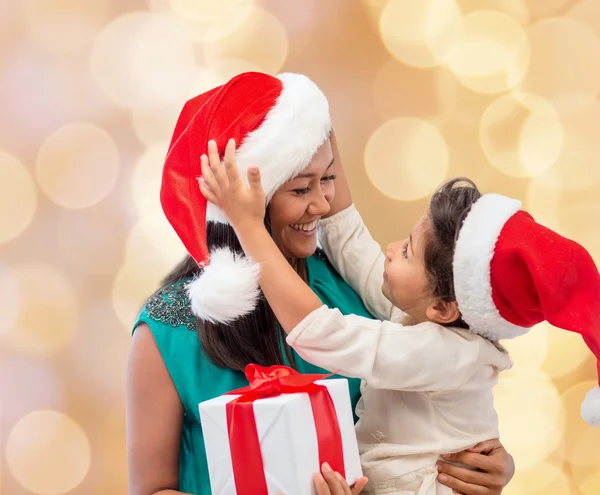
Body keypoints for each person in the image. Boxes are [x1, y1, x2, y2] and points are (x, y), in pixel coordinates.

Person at [126, 71, 516, 495]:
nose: (323, 202)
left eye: (328, 178)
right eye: (300, 188)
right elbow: (151, 489)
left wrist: (481, 461)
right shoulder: (168, 327)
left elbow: (432, 412)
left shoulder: (352, 289)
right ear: (241, 204)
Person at [199, 137, 600, 494]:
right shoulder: (428, 318)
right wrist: (319, 124)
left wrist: (248, 225)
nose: (390, 249)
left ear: (443, 308)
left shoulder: (446, 353)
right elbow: (349, 239)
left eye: (407, 251)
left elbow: (323, 334)